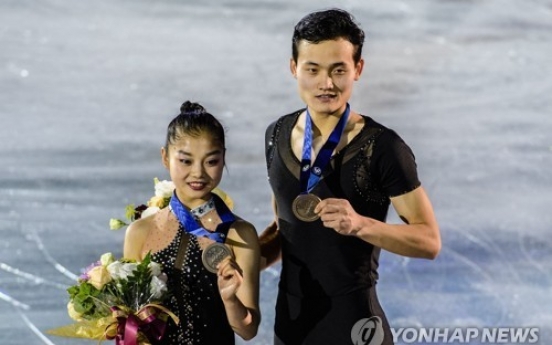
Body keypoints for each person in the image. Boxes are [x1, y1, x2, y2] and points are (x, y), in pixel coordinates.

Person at [260, 8, 441, 345]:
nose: (325, 84)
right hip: (291, 327)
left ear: (357, 69)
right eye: (312, 70)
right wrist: (244, 259)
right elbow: (286, 228)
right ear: (293, 68)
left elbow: (429, 241)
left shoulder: (382, 147)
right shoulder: (276, 134)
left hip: (355, 327)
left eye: (338, 70)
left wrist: (360, 225)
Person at [124, 101, 261, 344]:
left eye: (211, 161)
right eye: (186, 161)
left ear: (223, 158)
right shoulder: (140, 232)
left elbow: (248, 330)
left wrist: (230, 300)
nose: (198, 173)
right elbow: (131, 324)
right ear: (165, 157)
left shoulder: (239, 234)